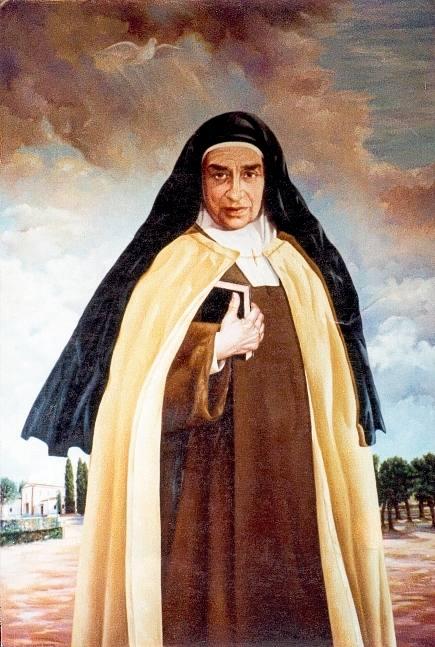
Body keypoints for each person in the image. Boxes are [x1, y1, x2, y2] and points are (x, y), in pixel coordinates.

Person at [22, 112, 396, 646]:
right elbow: (135, 391)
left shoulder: (303, 269)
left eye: (250, 174)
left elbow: (336, 389)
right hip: (206, 493)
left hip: (297, 486)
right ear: (199, 180)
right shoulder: (173, 265)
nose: (236, 192)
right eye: (220, 175)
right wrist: (213, 349)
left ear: (269, 179)